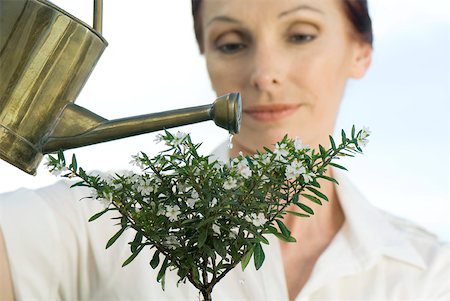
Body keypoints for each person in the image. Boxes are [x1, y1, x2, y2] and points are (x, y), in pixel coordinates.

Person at [0, 0, 448, 300]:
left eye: (301, 35)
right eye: (231, 43)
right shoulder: (102, 217)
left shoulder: (429, 273)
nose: (264, 74)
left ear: (361, 50)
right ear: (206, 55)